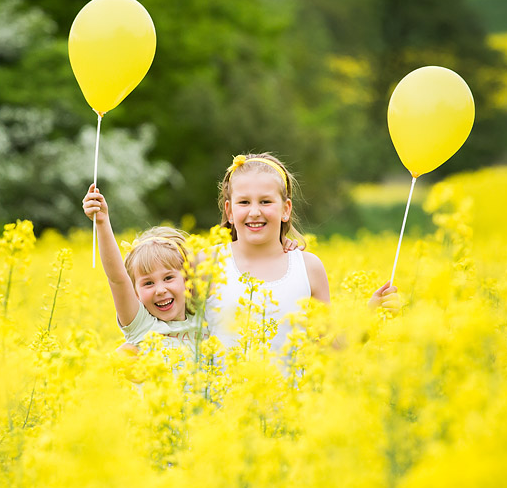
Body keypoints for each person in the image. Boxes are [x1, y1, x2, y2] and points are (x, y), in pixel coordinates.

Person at [206, 153, 399, 355]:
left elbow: (330, 346)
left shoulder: (308, 268)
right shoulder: (206, 263)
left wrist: (370, 317)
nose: (254, 211)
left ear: (285, 209)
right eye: (244, 202)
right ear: (229, 211)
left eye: (265, 202)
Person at [82, 184, 204, 361]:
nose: (160, 290)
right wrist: (102, 222)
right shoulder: (142, 327)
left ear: (187, 280)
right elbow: (117, 279)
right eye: (148, 283)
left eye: (168, 278)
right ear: (135, 292)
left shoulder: (206, 319)